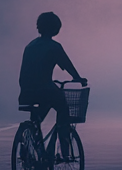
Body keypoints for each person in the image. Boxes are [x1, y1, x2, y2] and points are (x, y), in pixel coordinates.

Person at [18, 11, 86, 158]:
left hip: (26, 92)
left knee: (36, 120)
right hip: (45, 90)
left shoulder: (30, 46)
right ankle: (64, 151)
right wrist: (78, 78)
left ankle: (32, 149)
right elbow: (67, 65)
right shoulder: (53, 46)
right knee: (63, 108)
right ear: (55, 28)